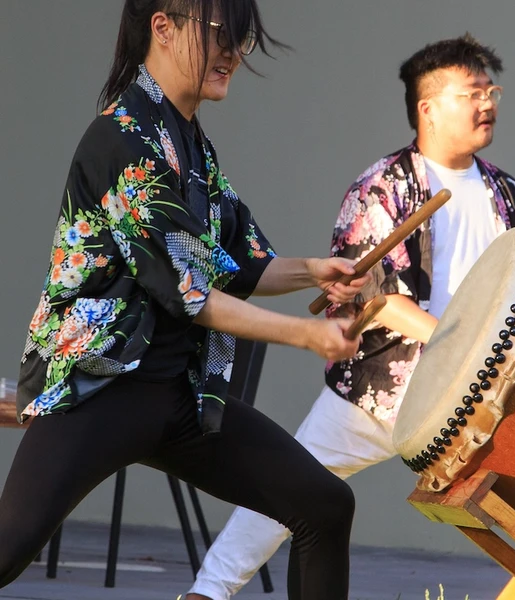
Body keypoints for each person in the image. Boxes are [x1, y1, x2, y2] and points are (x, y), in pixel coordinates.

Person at [0, 2, 371, 600]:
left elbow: (238, 262)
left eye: (240, 42)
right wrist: (306, 335)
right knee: (7, 548)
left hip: (183, 399)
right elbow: (190, 294)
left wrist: (313, 271)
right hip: (99, 392)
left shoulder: (191, 144)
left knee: (324, 506)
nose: (231, 54)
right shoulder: (120, 138)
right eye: (221, 34)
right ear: (163, 28)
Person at [185, 33, 515, 600]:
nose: (488, 103)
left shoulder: (508, 194)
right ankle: (207, 594)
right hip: (382, 391)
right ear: (428, 107)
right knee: (286, 494)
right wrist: (463, 343)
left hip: (482, 390)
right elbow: (379, 299)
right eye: (473, 91)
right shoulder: (384, 186)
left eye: (491, 90)